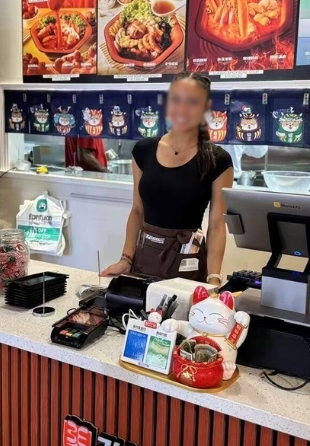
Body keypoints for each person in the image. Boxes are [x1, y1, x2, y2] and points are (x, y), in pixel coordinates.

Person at [100, 72, 234, 286]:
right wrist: (126, 259)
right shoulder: (143, 150)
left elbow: (217, 225)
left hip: (188, 263)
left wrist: (214, 278)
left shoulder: (218, 160)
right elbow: (137, 210)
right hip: (145, 260)